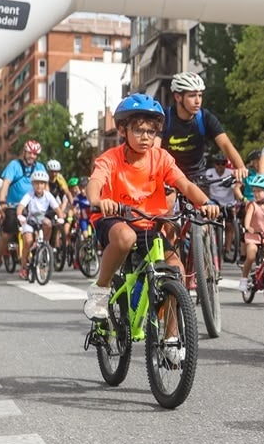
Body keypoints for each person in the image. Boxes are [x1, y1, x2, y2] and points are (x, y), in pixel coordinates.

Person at [83, 94, 219, 336]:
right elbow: (95, 182)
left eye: (152, 132)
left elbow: (185, 185)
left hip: (148, 224)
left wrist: (206, 203)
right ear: (123, 130)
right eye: (139, 130)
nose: (146, 137)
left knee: (175, 272)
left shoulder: (161, 158)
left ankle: (170, 338)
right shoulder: (111, 158)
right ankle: (101, 290)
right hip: (115, 219)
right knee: (126, 238)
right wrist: (99, 200)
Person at [160, 71, 248, 184]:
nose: (197, 101)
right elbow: (154, 149)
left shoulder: (205, 117)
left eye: (200, 95)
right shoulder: (165, 118)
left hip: (197, 177)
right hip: (169, 175)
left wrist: (240, 167)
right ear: (178, 97)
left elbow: (226, 144)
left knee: (206, 201)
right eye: (192, 96)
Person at [0, 139, 44, 275]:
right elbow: (6, 184)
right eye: (30, 153)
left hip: (33, 206)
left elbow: (45, 187)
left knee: (40, 229)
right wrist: (2, 201)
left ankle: (39, 258)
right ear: (24, 152)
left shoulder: (40, 167)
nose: (32, 157)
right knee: (7, 233)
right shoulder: (14, 165)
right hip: (13, 205)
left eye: (35, 154)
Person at [16, 166, 60, 278]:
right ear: (33, 184)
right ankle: (24, 267)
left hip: (42, 221)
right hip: (30, 221)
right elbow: (20, 207)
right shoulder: (29, 195)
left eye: (42, 183)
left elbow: (57, 209)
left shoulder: (48, 196)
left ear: (45, 185)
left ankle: (45, 245)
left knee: (48, 223)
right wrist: (20, 215)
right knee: (28, 242)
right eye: (37, 183)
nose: (39, 186)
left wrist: (61, 217)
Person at [206, 153, 242, 259]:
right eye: (218, 164)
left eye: (223, 164)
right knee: (211, 224)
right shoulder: (209, 173)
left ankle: (227, 249)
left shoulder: (231, 173)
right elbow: (206, 188)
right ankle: (212, 246)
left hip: (228, 202)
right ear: (214, 164)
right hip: (214, 202)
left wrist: (238, 201)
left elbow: (238, 186)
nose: (220, 166)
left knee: (230, 226)